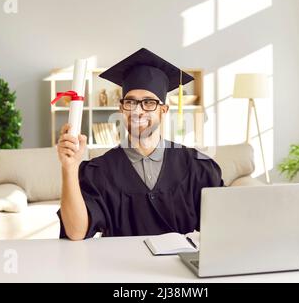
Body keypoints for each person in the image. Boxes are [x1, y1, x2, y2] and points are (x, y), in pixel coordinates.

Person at [57, 48, 224, 240]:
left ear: (163, 110)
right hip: (119, 267)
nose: (138, 111)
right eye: (130, 102)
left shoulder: (197, 167)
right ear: (121, 108)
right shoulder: (100, 171)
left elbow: (225, 225)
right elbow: (76, 232)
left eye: (149, 103)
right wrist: (69, 168)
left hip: (179, 268)